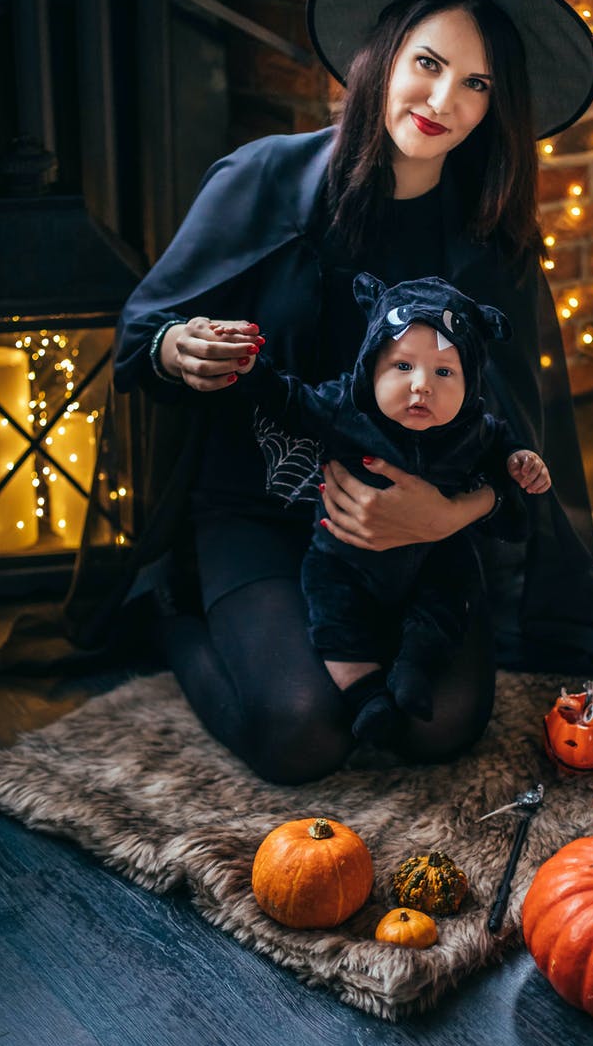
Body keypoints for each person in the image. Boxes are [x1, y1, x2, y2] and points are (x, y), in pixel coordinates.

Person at [108, 0, 593, 785]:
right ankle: (175, 617)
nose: (443, 103)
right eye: (429, 64)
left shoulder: (490, 240)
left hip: (425, 522)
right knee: (303, 735)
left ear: (496, 108)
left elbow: (522, 436)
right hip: (263, 508)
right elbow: (141, 338)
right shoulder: (264, 177)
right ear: (384, 56)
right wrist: (174, 346)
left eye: (476, 85)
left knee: (441, 728)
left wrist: (449, 512)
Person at [218, 272, 550, 744]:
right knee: (333, 616)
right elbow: (290, 402)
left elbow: (504, 464)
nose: (421, 387)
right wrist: (253, 370)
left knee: (448, 601)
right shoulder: (345, 408)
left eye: (443, 372)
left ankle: (413, 666)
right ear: (370, 366)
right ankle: (366, 695)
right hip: (344, 559)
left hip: (434, 557)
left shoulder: (475, 428)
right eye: (402, 367)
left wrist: (519, 461)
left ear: (470, 380)